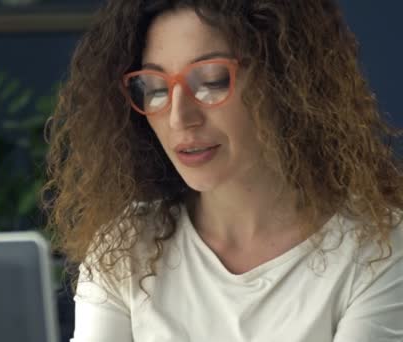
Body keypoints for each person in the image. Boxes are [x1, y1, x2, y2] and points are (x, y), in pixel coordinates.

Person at [42, 0, 403, 341]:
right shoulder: (127, 246)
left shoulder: (380, 249)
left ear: (286, 84)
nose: (179, 117)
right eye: (154, 88)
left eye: (212, 81)